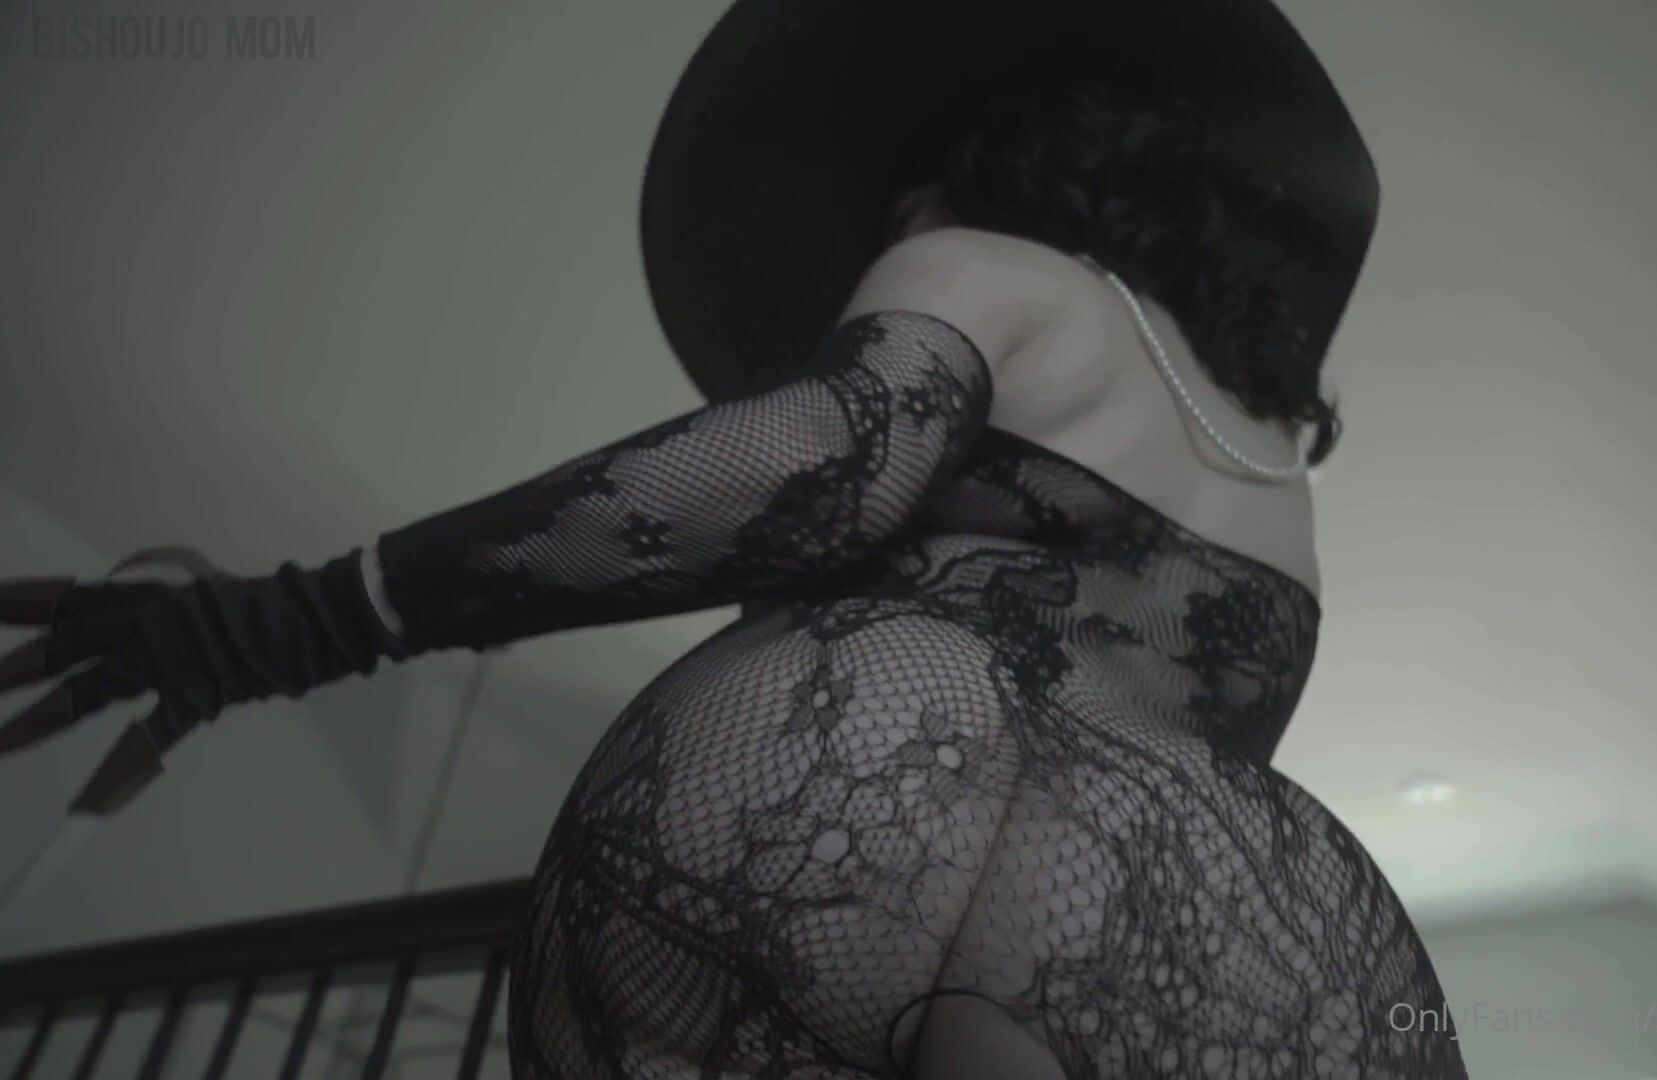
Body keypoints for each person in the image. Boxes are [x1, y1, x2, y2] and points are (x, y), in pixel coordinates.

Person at [0, 1, 1469, 1076]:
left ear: (963, 174)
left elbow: (821, 457)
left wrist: (305, 618)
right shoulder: (1274, 464)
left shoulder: (986, 261)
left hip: (866, 788)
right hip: (1207, 900)